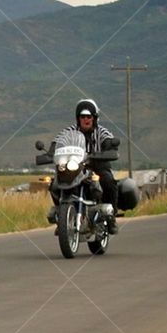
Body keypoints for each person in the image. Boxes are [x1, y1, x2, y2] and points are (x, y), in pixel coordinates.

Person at [47, 98, 119, 233]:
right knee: (54, 183)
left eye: (89, 117)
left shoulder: (102, 132)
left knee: (108, 181)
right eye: (82, 117)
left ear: (94, 118)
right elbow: (57, 142)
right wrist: (50, 153)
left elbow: (109, 143)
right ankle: (61, 218)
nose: (86, 119)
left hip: (96, 165)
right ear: (78, 118)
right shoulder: (68, 132)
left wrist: (108, 149)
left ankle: (111, 217)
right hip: (74, 166)